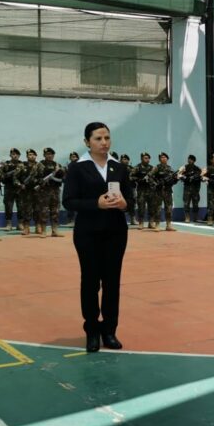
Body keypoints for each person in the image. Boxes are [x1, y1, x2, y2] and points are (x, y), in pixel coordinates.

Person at [62, 122, 134, 353]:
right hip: (88, 233)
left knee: (112, 283)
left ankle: (110, 330)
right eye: (98, 139)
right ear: (87, 142)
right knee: (90, 282)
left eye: (107, 138)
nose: (104, 143)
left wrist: (124, 205)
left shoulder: (119, 167)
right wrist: (96, 203)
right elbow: (69, 201)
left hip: (115, 233)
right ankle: (92, 330)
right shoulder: (77, 168)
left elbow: (131, 200)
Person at [38, 147, 66, 238]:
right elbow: (36, 176)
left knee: (55, 210)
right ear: (44, 155)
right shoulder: (40, 164)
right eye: (47, 154)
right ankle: (43, 231)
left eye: (51, 154)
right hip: (44, 191)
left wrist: (60, 171)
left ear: (53, 155)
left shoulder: (57, 165)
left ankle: (54, 230)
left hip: (55, 190)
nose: (49, 156)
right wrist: (41, 181)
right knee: (44, 211)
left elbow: (63, 177)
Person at [15, 148, 44, 236]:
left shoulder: (40, 165)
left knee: (38, 209)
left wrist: (40, 184)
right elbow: (15, 178)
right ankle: (26, 227)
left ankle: (38, 226)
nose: (31, 156)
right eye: (29, 155)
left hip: (37, 190)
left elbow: (43, 177)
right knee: (26, 210)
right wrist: (20, 185)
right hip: (26, 191)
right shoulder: (21, 165)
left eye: (33, 154)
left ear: (36, 156)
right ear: (27, 156)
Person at [151, 152, 178, 231]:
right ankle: (157, 225)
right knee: (158, 208)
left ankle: (168, 225)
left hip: (168, 191)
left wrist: (176, 179)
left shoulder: (170, 169)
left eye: (165, 157)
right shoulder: (156, 168)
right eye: (162, 157)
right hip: (158, 191)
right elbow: (150, 177)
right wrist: (155, 184)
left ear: (167, 159)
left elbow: (174, 181)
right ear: (160, 159)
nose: (164, 158)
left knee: (169, 208)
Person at [131, 152, 155, 229]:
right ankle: (141, 223)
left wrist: (152, 181)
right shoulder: (137, 167)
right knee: (141, 207)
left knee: (151, 207)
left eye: (148, 158)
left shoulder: (152, 168)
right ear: (141, 158)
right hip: (141, 190)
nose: (147, 159)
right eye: (145, 158)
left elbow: (156, 177)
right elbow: (130, 176)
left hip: (150, 190)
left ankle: (151, 222)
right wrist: (138, 180)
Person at [0, 148, 22, 231]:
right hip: (9, 188)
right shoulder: (6, 164)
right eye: (13, 154)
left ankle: (20, 224)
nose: (15, 155)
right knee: (8, 207)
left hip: (19, 188)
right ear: (10, 155)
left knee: (21, 206)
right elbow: (1, 176)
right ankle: (8, 224)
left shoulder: (22, 164)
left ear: (19, 155)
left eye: (16, 154)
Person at [178, 154, 203, 222]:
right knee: (186, 203)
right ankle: (187, 217)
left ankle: (195, 217)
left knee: (196, 204)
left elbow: (201, 177)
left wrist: (195, 178)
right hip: (187, 188)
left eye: (191, 159)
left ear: (194, 161)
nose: (189, 160)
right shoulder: (184, 167)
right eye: (189, 159)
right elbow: (178, 175)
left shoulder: (197, 168)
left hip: (195, 189)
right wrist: (185, 177)